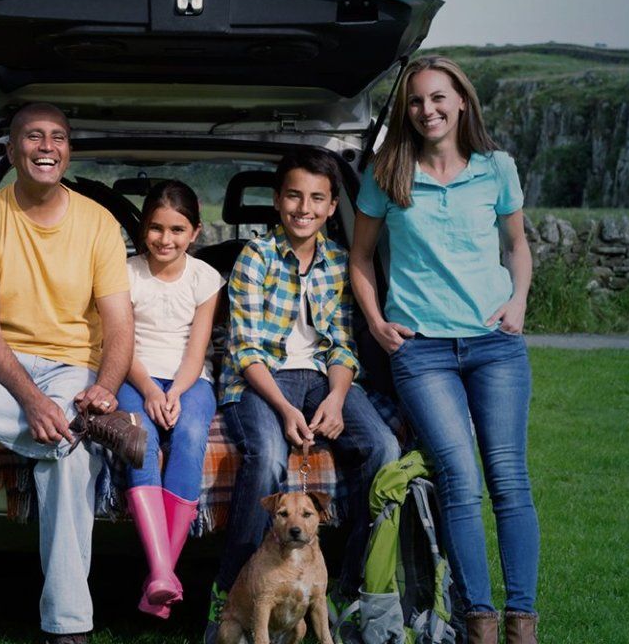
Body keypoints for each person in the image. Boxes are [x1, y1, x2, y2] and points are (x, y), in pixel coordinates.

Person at [0, 102, 145, 644]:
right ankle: (74, 431)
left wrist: (105, 389)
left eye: (57, 137)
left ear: (68, 151)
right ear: (12, 151)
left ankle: (68, 629)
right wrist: (32, 404)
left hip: (70, 364)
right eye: (33, 137)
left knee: (64, 465)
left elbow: (119, 323)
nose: (46, 147)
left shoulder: (98, 223)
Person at [351, 55, 538, 644]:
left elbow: (517, 246)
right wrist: (379, 324)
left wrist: (520, 300)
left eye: (437, 98)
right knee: (459, 479)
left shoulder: (496, 168)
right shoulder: (388, 171)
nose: (426, 110)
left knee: (509, 479)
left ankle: (522, 621)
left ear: (461, 102)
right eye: (415, 101)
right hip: (422, 352)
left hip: (495, 345)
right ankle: (477, 618)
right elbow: (360, 259)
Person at [207, 149, 402, 637]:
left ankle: (346, 587)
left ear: (333, 206)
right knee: (270, 453)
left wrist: (336, 398)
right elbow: (246, 348)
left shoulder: (338, 261)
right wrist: (285, 408)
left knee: (384, 448)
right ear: (277, 201)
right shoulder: (255, 256)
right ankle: (227, 591)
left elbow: (341, 344)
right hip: (263, 379)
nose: (304, 207)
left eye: (317, 198)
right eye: (294, 195)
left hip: (321, 377)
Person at [116, 180, 223, 620]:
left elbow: (197, 350)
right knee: (139, 440)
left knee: (193, 432)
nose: (166, 239)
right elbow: (120, 343)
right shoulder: (124, 273)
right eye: (156, 228)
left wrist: (176, 391)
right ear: (144, 229)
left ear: (195, 232)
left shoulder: (205, 278)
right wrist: (149, 390)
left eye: (177, 230)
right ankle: (162, 572)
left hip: (189, 378)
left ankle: (160, 576)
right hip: (134, 373)